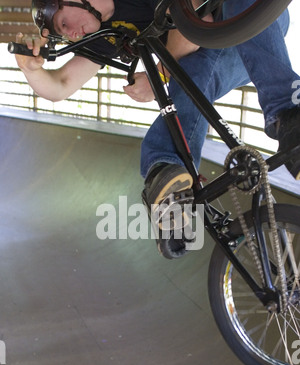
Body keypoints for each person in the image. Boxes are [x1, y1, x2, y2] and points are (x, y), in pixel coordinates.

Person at [15, 0, 300, 258]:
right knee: (194, 68)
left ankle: (290, 117)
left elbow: (196, 16)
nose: (72, 35)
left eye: (64, 24)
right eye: (64, 35)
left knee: (193, 60)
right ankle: (169, 188)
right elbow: (61, 85)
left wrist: (158, 77)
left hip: (250, 18)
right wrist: (32, 70)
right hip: (211, 53)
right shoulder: (104, 34)